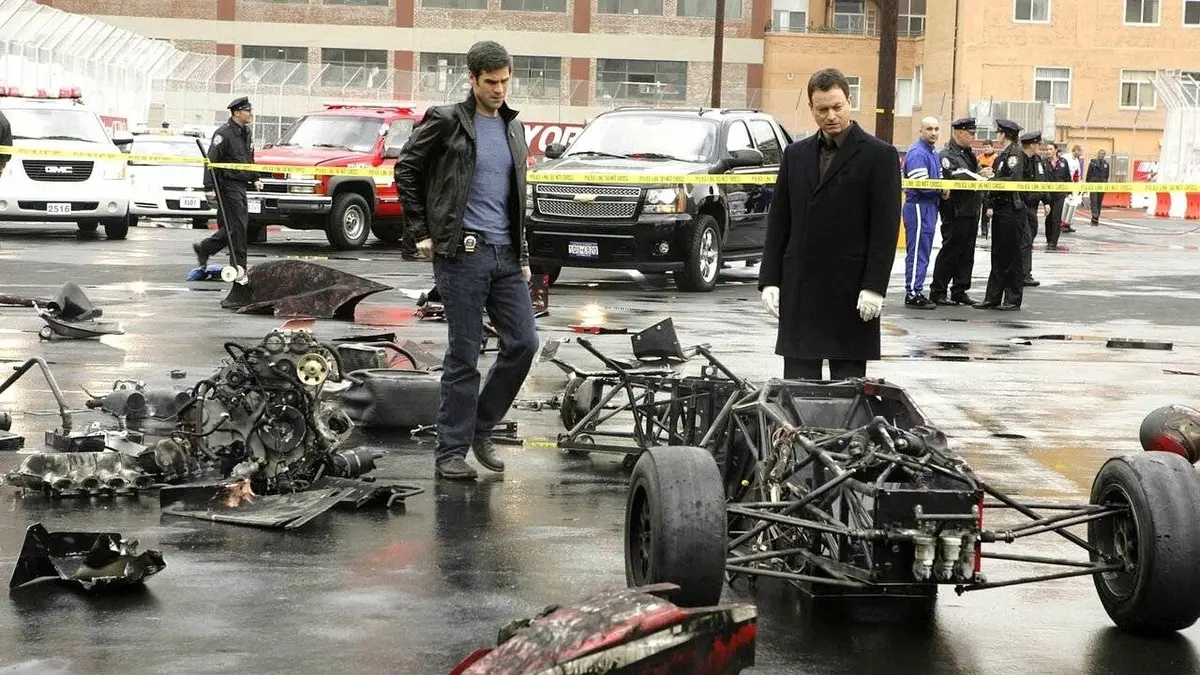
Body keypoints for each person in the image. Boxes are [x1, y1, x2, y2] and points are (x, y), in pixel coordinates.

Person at [393, 40, 537, 481]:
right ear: (472, 79)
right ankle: (450, 452)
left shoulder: (514, 127)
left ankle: (481, 426)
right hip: (462, 254)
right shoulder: (447, 120)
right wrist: (421, 231)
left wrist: (522, 254)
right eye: (491, 82)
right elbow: (406, 169)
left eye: (505, 81)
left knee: (523, 344)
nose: (499, 89)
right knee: (464, 353)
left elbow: (516, 196)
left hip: (505, 255)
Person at [759, 67, 901, 380]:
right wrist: (770, 279)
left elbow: (885, 228)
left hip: (850, 291)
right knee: (797, 391)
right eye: (822, 109)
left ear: (849, 102)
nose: (831, 116)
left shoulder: (879, 156)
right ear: (811, 108)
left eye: (837, 107)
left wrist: (874, 286)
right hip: (801, 289)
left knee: (847, 392)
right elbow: (780, 221)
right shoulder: (795, 155)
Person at [194, 97, 260, 281]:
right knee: (238, 226)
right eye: (247, 111)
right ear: (237, 112)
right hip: (227, 185)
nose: (251, 114)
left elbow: (247, 158)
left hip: (240, 184)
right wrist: (208, 186)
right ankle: (239, 266)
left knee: (234, 227)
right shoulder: (223, 134)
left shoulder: (246, 132)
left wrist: (255, 177)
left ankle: (205, 248)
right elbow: (211, 160)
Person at [930, 117, 991, 306]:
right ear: (959, 133)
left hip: (971, 209)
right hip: (955, 210)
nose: (973, 136)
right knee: (951, 250)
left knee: (967, 252)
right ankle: (938, 290)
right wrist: (976, 176)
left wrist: (982, 174)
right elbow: (953, 176)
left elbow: (974, 172)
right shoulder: (947, 155)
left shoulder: (969, 154)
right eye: (970, 133)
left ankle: (960, 289)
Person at [974, 119, 1027, 311]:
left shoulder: (1015, 154)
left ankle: (1013, 298)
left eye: (999, 133)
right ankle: (993, 297)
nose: (997, 136)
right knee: (998, 255)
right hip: (1000, 208)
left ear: (1004, 134)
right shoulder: (1003, 155)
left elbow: (1012, 179)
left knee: (1012, 255)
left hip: (1011, 209)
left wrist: (992, 180)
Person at [900, 117, 943, 310]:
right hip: (918, 206)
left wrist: (942, 188)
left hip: (929, 207)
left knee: (923, 251)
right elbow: (922, 184)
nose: (933, 133)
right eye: (929, 129)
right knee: (917, 251)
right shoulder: (918, 152)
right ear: (921, 131)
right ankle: (912, 293)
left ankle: (917, 290)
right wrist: (941, 189)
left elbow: (938, 178)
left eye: (936, 129)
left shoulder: (932, 152)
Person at [1018, 131, 1046, 287]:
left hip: (1033, 207)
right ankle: (1023, 274)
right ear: (1031, 145)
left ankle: (1024, 272)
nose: (1039, 146)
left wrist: (1046, 201)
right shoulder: (1020, 160)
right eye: (1037, 144)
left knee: (1028, 240)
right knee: (1025, 240)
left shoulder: (1037, 160)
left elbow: (1043, 181)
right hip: (1022, 205)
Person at [1044, 144, 1071, 249]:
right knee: (1049, 217)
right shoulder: (1044, 163)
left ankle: (1054, 241)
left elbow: (1067, 177)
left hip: (1060, 194)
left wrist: (1069, 191)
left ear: (1055, 150)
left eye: (1051, 149)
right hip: (1048, 194)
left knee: (1056, 217)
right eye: (1047, 149)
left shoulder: (1063, 162)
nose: (1048, 151)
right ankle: (1049, 238)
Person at [977, 140, 997, 238]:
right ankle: (976, 228)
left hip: (990, 185)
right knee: (977, 207)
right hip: (980, 185)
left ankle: (985, 229)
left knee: (986, 207)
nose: (986, 149)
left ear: (992, 147)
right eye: (984, 147)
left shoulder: (996, 158)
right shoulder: (979, 158)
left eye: (988, 147)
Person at [1086, 148, 1110, 225]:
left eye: (1103, 154)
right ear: (1097, 154)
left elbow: (1107, 176)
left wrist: (1105, 184)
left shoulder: (1106, 165)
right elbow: (1088, 174)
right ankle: (1094, 217)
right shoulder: (1092, 163)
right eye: (1100, 153)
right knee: (1094, 201)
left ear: (1104, 155)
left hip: (1102, 185)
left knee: (1099, 202)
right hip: (1093, 184)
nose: (1101, 155)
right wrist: (1087, 185)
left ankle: (1097, 218)